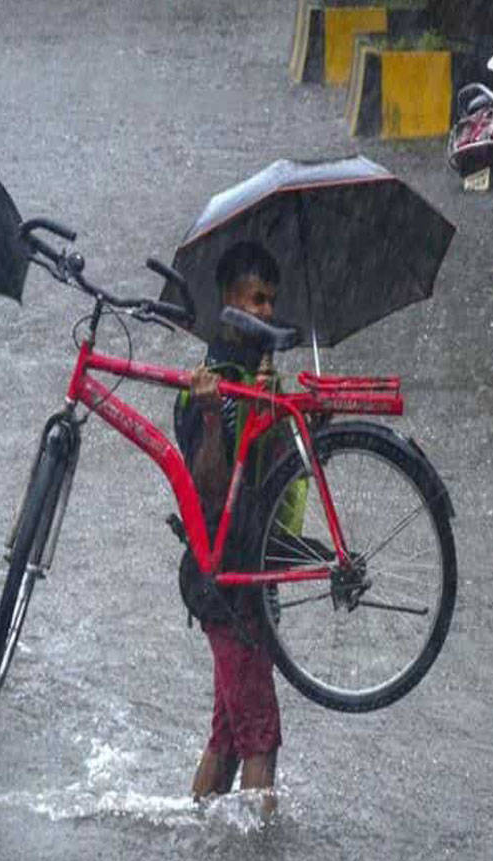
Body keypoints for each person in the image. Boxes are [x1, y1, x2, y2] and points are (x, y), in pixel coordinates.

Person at [173, 241, 291, 812]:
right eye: (256, 299)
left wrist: (282, 416)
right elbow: (211, 491)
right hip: (227, 583)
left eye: (272, 301)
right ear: (228, 301)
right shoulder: (206, 386)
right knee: (260, 737)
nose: (267, 312)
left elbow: (277, 475)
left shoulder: (260, 380)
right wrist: (211, 417)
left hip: (256, 577)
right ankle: (256, 855)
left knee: (226, 738)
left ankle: (198, 836)